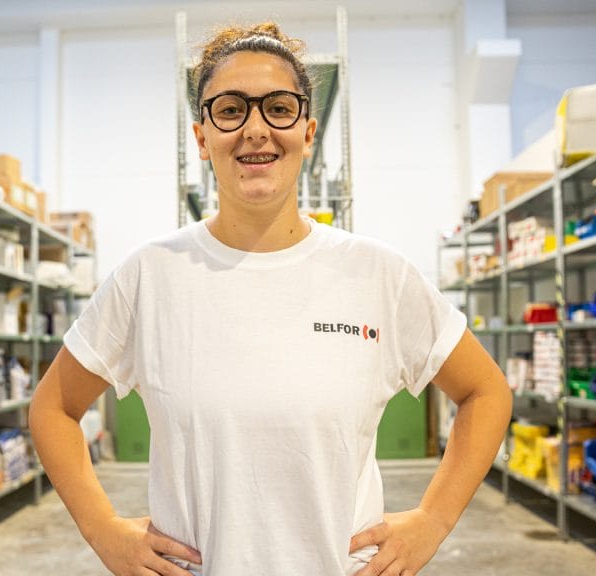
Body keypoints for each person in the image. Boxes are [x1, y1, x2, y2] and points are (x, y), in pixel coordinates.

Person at [30, 21, 512, 576]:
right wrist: (104, 532)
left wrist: (433, 521)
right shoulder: (148, 276)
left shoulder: (378, 273)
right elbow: (53, 408)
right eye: (230, 110)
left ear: (308, 132)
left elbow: (486, 391)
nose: (255, 130)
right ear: (201, 137)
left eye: (278, 108)